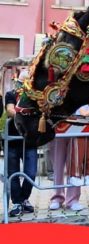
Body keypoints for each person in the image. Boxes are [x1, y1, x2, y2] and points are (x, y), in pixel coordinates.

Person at [5, 70, 38, 216]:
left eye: (28, 80)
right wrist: (24, 111)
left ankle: (24, 199)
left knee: (31, 173)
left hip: (30, 140)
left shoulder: (35, 96)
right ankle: (17, 203)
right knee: (13, 174)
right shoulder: (11, 94)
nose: (25, 84)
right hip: (12, 140)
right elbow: (10, 111)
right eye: (23, 81)